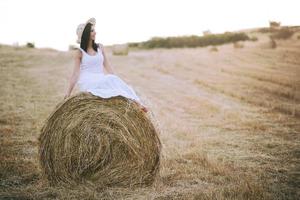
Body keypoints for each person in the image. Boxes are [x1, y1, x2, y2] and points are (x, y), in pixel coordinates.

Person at [64, 17, 148, 113]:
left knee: (113, 80)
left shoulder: (100, 47)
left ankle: (136, 103)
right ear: (86, 34)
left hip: (99, 78)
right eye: (92, 31)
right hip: (87, 81)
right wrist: (68, 93)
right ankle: (136, 103)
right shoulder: (80, 52)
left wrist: (116, 78)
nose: (95, 33)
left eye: (94, 30)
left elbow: (107, 65)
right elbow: (75, 74)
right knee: (109, 80)